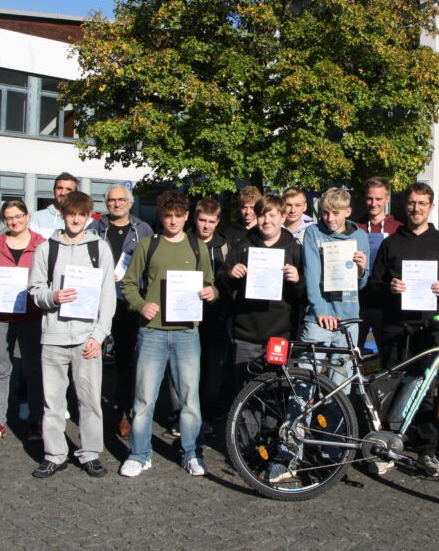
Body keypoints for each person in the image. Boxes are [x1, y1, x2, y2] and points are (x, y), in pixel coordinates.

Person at [120, 190, 217, 478]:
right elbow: (127, 284)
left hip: (187, 333)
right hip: (152, 333)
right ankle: (139, 454)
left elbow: (211, 283)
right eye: (167, 215)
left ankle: (191, 452)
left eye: (178, 215)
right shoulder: (148, 245)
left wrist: (211, 292)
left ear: (186, 216)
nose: (173, 221)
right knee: (144, 399)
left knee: (190, 398)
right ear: (160, 216)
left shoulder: (197, 246)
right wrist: (140, 305)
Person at [368, 182, 439, 478]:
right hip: (396, 326)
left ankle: (427, 451)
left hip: (430, 328)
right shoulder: (391, 242)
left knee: (427, 391)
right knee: (392, 388)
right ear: (405, 206)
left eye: (422, 203)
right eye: (411, 203)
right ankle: (388, 447)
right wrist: (390, 287)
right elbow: (374, 286)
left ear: (431, 206)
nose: (416, 208)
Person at [27, 191, 116, 479]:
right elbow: (34, 289)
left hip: (86, 339)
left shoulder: (99, 248)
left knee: (89, 401)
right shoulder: (46, 248)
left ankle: (90, 453)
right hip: (53, 338)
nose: (76, 219)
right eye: (71, 213)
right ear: (63, 214)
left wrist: (99, 335)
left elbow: (107, 296)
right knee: (52, 402)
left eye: (81, 214)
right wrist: (52, 296)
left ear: (88, 216)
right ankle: (54, 454)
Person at [217, 194, 304, 390]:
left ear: (282, 218)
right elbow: (221, 284)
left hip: (280, 334)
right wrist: (230, 275)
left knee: (277, 391)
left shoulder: (295, 250)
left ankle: (273, 423)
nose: (267, 221)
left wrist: (298, 281)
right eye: (262, 216)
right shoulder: (243, 247)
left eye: (272, 216)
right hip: (247, 334)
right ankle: (245, 423)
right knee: (245, 393)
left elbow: (304, 296)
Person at [0, 199, 47, 443]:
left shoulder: (42, 244)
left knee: (33, 369)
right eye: (9, 218)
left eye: (18, 216)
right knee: (1, 368)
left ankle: (35, 421)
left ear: (27, 216)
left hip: (31, 314)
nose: (14, 221)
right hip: (0, 315)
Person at [94, 184, 154, 439]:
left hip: (129, 304)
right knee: (92, 360)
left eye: (121, 199)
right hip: (98, 303)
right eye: (112, 200)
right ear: (106, 203)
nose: (117, 204)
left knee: (128, 363)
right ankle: (91, 413)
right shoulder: (95, 229)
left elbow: (151, 269)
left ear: (129, 202)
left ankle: (124, 411)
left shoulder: (143, 230)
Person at [300, 187, 369, 384]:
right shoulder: (313, 232)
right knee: (305, 381)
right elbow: (311, 275)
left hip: (348, 318)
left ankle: (335, 417)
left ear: (348, 212)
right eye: (325, 212)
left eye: (336, 213)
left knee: (341, 385)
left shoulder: (360, 236)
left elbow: (361, 283)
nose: (330, 218)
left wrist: (362, 270)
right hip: (318, 318)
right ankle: (299, 416)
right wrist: (320, 311)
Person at [193, 198, 232, 422]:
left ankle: (206, 414)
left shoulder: (224, 246)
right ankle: (181, 413)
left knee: (212, 368)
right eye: (202, 220)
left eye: (211, 221)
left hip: (216, 315)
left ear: (218, 221)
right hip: (187, 315)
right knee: (186, 370)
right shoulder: (185, 242)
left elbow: (228, 280)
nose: (206, 226)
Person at [356, 176, 404, 349]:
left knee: (386, 355)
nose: (373, 203)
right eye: (370, 198)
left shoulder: (399, 229)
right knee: (354, 356)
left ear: (387, 199)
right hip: (359, 301)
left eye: (379, 199)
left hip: (386, 303)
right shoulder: (354, 228)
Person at [29, 172, 79, 239]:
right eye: (59, 188)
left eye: (68, 189)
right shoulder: (37, 218)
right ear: (53, 191)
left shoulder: (81, 219)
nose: (63, 193)